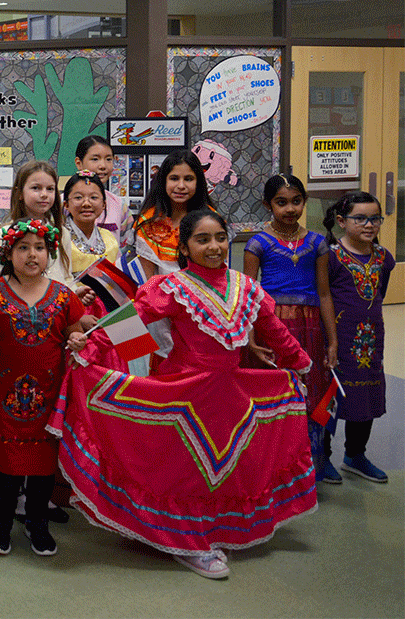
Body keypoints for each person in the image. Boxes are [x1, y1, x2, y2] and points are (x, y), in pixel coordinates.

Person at [57, 210, 314, 580]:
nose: (214, 247)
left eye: (221, 238)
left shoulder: (245, 286)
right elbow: (134, 317)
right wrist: (90, 349)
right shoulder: (174, 286)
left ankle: (211, 528)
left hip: (228, 394)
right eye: (203, 240)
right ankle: (188, 539)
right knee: (182, 469)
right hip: (181, 393)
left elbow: (275, 333)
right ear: (186, 246)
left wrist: (302, 365)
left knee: (219, 469)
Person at [0, 220, 87, 558]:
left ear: (49, 253)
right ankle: (0, 525)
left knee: (42, 467)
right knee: (8, 469)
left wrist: (76, 339)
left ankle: (38, 524)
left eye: (39, 247)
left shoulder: (64, 294)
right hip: (3, 397)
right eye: (23, 247)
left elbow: (75, 331)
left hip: (49, 399)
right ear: (8, 254)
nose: (32, 254)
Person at [242, 175, 338, 483]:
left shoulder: (317, 243)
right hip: (274, 326)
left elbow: (324, 293)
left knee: (314, 390)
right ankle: (273, 468)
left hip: (310, 327)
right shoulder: (258, 243)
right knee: (277, 391)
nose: (290, 209)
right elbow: (249, 293)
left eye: (296, 201)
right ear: (267, 205)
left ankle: (315, 463)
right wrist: (252, 338)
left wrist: (332, 340)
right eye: (281, 202)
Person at [323, 191, 395, 484]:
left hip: (369, 338)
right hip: (336, 339)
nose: (369, 225)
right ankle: (322, 457)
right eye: (360, 218)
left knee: (365, 394)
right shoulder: (330, 256)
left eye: (374, 218)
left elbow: (380, 294)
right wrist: (330, 340)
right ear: (342, 221)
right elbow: (323, 296)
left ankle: (355, 455)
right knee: (331, 395)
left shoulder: (383, 258)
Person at [133, 150, 216, 278]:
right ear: (163, 181)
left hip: (204, 294)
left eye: (188, 179)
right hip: (158, 295)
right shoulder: (149, 221)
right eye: (174, 178)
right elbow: (146, 281)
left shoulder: (211, 220)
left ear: (198, 182)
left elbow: (217, 270)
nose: (181, 185)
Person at [0, 161, 70, 283]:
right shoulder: (4, 235)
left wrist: (75, 291)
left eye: (50, 189)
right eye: (36, 188)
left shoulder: (62, 234)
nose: (44, 194)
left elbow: (66, 277)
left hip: (57, 300)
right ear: (19, 193)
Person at [62, 171, 120, 274]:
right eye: (78, 197)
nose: (86, 203)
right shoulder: (58, 238)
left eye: (93, 197)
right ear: (66, 204)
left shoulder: (110, 239)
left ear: (104, 204)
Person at [73, 136, 132, 239]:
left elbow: (126, 246)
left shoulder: (119, 206)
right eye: (95, 159)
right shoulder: (62, 204)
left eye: (108, 159)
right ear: (79, 163)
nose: (103, 166)